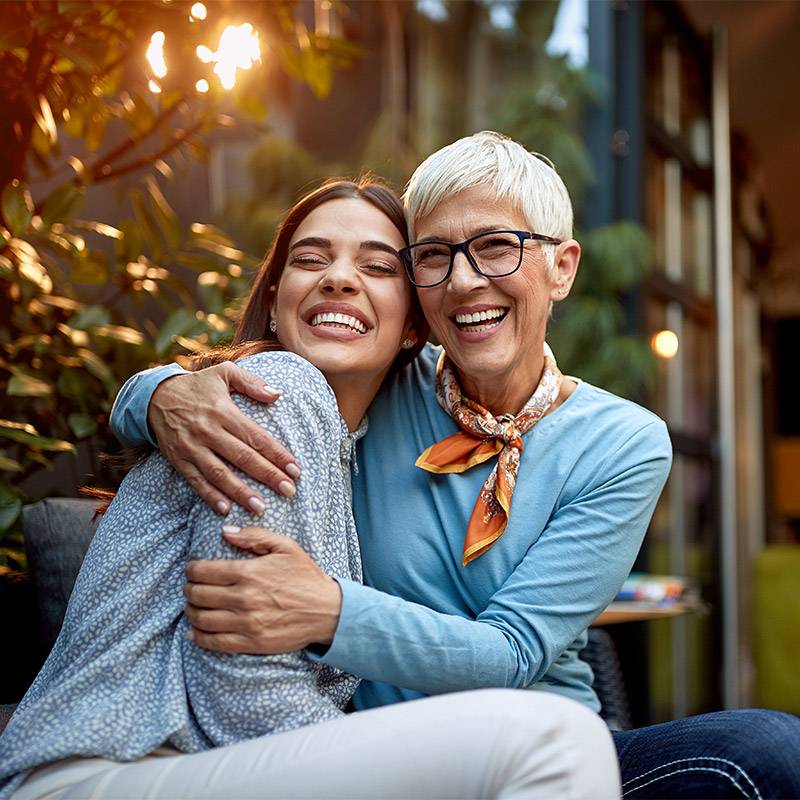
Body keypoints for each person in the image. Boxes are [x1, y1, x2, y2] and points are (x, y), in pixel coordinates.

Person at [112, 132, 800, 799]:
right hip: (381, 749)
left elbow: (514, 652)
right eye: (434, 256)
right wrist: (157, 394)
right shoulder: (381, 377)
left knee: (767, 753)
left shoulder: (624, 442)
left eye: (497, 248)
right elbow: (266, 374)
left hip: (550, 740)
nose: (464, 282)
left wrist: (328, 612)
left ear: (562, 267)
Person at [0, 178, 621, 800]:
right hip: (108, 769)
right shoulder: (278, 392)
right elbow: (243, 692)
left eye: (378, 266)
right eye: (310, 260)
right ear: (275, 300)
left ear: (414, 326)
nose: (339, 279)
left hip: (193, 764)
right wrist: (152, 392)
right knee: (557, 742)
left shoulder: (357, 436)